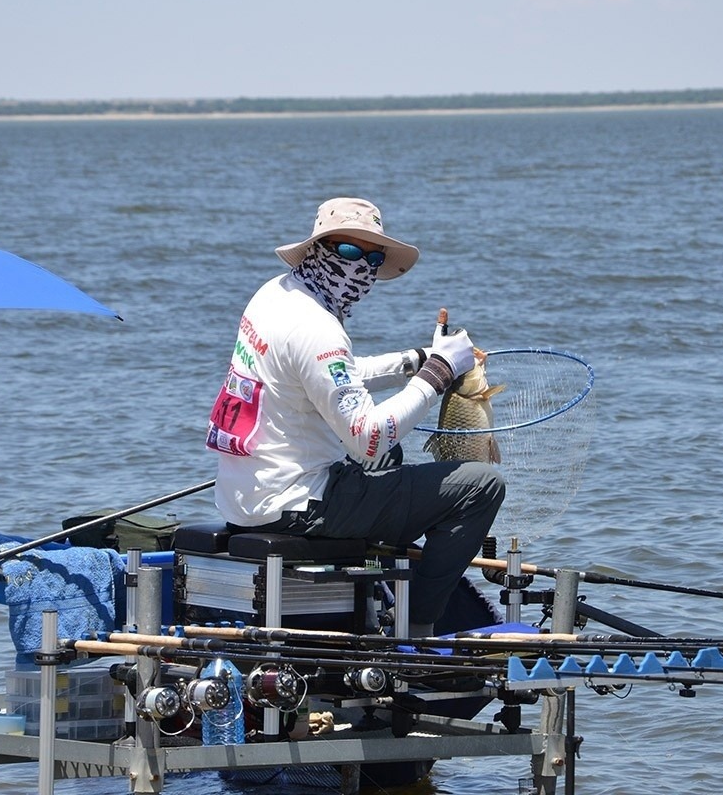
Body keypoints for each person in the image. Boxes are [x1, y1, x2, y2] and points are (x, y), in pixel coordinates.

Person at [206, 197, 505, 637]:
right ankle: (419, 625)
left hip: (244, 496)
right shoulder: (317, 327)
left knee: (393, 458)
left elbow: (331, 376)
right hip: (299, 505)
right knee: (482, 485)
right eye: (348, 252)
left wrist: (415, 359)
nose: (361, 267)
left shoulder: (275, 295)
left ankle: (379, 583)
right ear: (318, 247)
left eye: (374, 257)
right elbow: (367, 439)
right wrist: (437, 374)